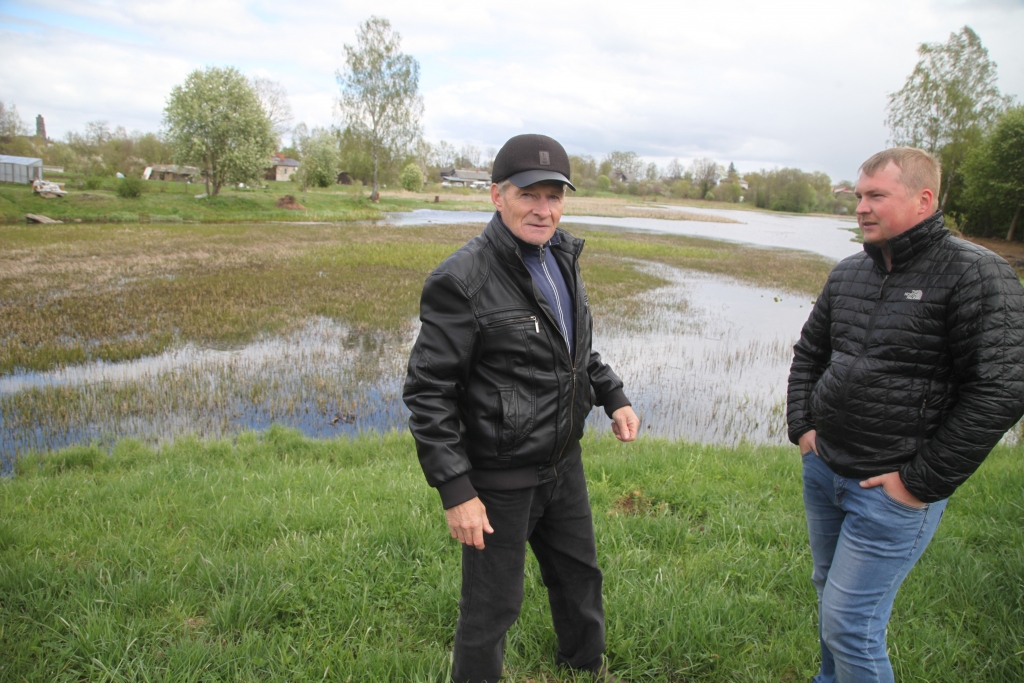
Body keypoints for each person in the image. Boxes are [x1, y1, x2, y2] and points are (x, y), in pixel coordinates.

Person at [403, 133, 640, 683]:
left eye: (554, 195)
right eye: (529, 194)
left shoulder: (562, 256)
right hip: (500, 478)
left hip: (563, 461)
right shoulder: (461, 280)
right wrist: (457, 491)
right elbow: (427, 392)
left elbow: (573, 349)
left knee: (580, 577)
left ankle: (583, 667)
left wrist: (613, 395)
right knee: (492, 607)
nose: (544, 208)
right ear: (496, 196)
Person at [787, 147, 1024, 683]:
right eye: (858, 195)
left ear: (924, 200)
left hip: (891, 489)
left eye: (876, 196)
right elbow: (810, 353)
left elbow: (1002, 390)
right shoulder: (850, 273)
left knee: (851, 625)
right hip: (826, 471)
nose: (861, 208)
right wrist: (803, 428)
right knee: (830, 600)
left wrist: (919, 482)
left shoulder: (976, 274)